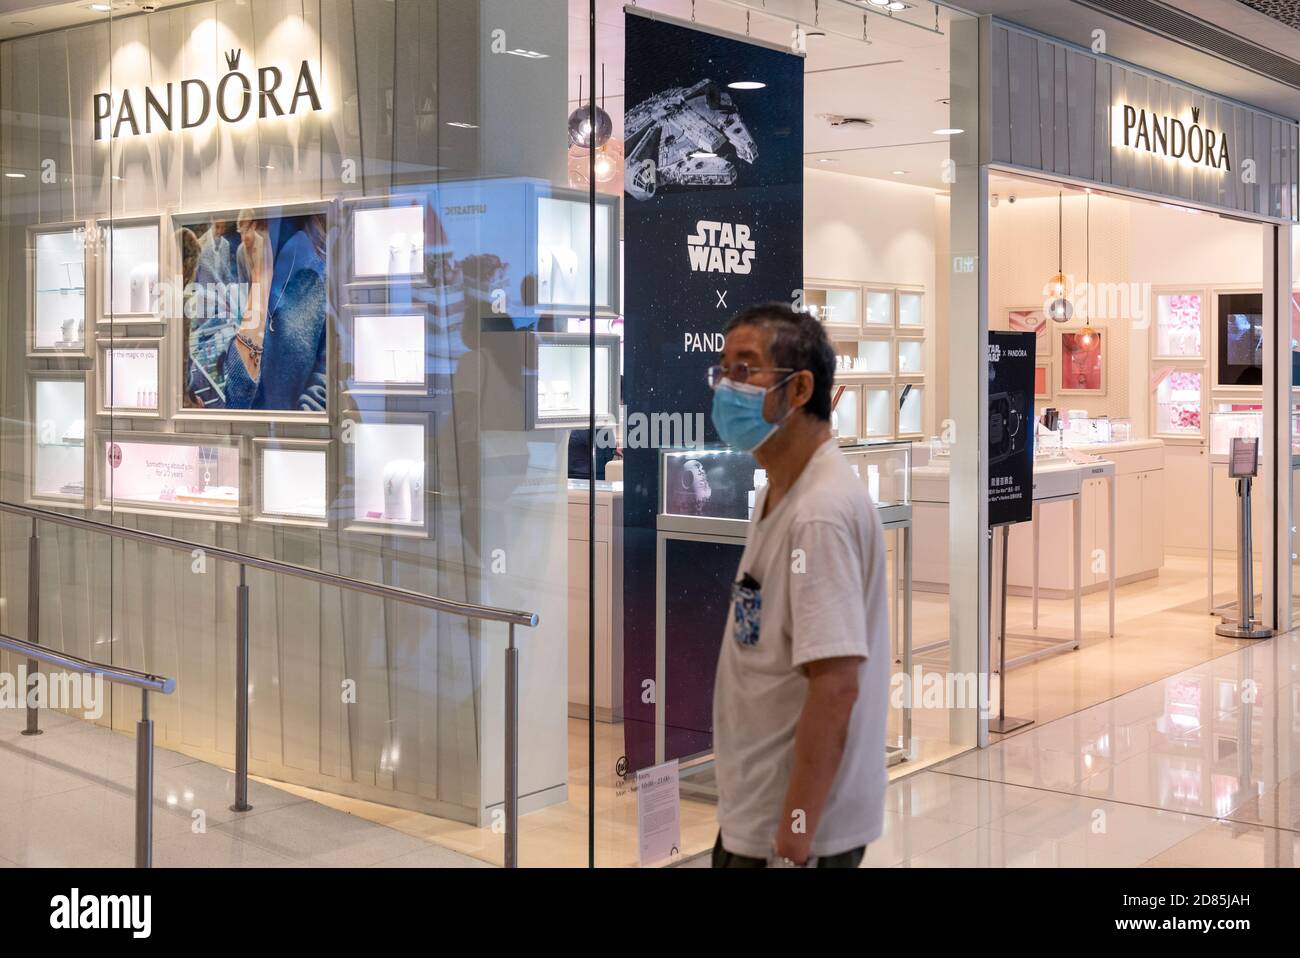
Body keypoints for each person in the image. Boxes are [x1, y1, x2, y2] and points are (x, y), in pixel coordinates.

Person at [707, 302, 889, 868]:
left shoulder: (820, 513)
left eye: (745, 369)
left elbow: (835, 687)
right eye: (722, 370)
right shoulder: (778, 492)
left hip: (792, 837)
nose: (725, 387)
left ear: (800, 387)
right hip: (758, 816)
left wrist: (794, 839)